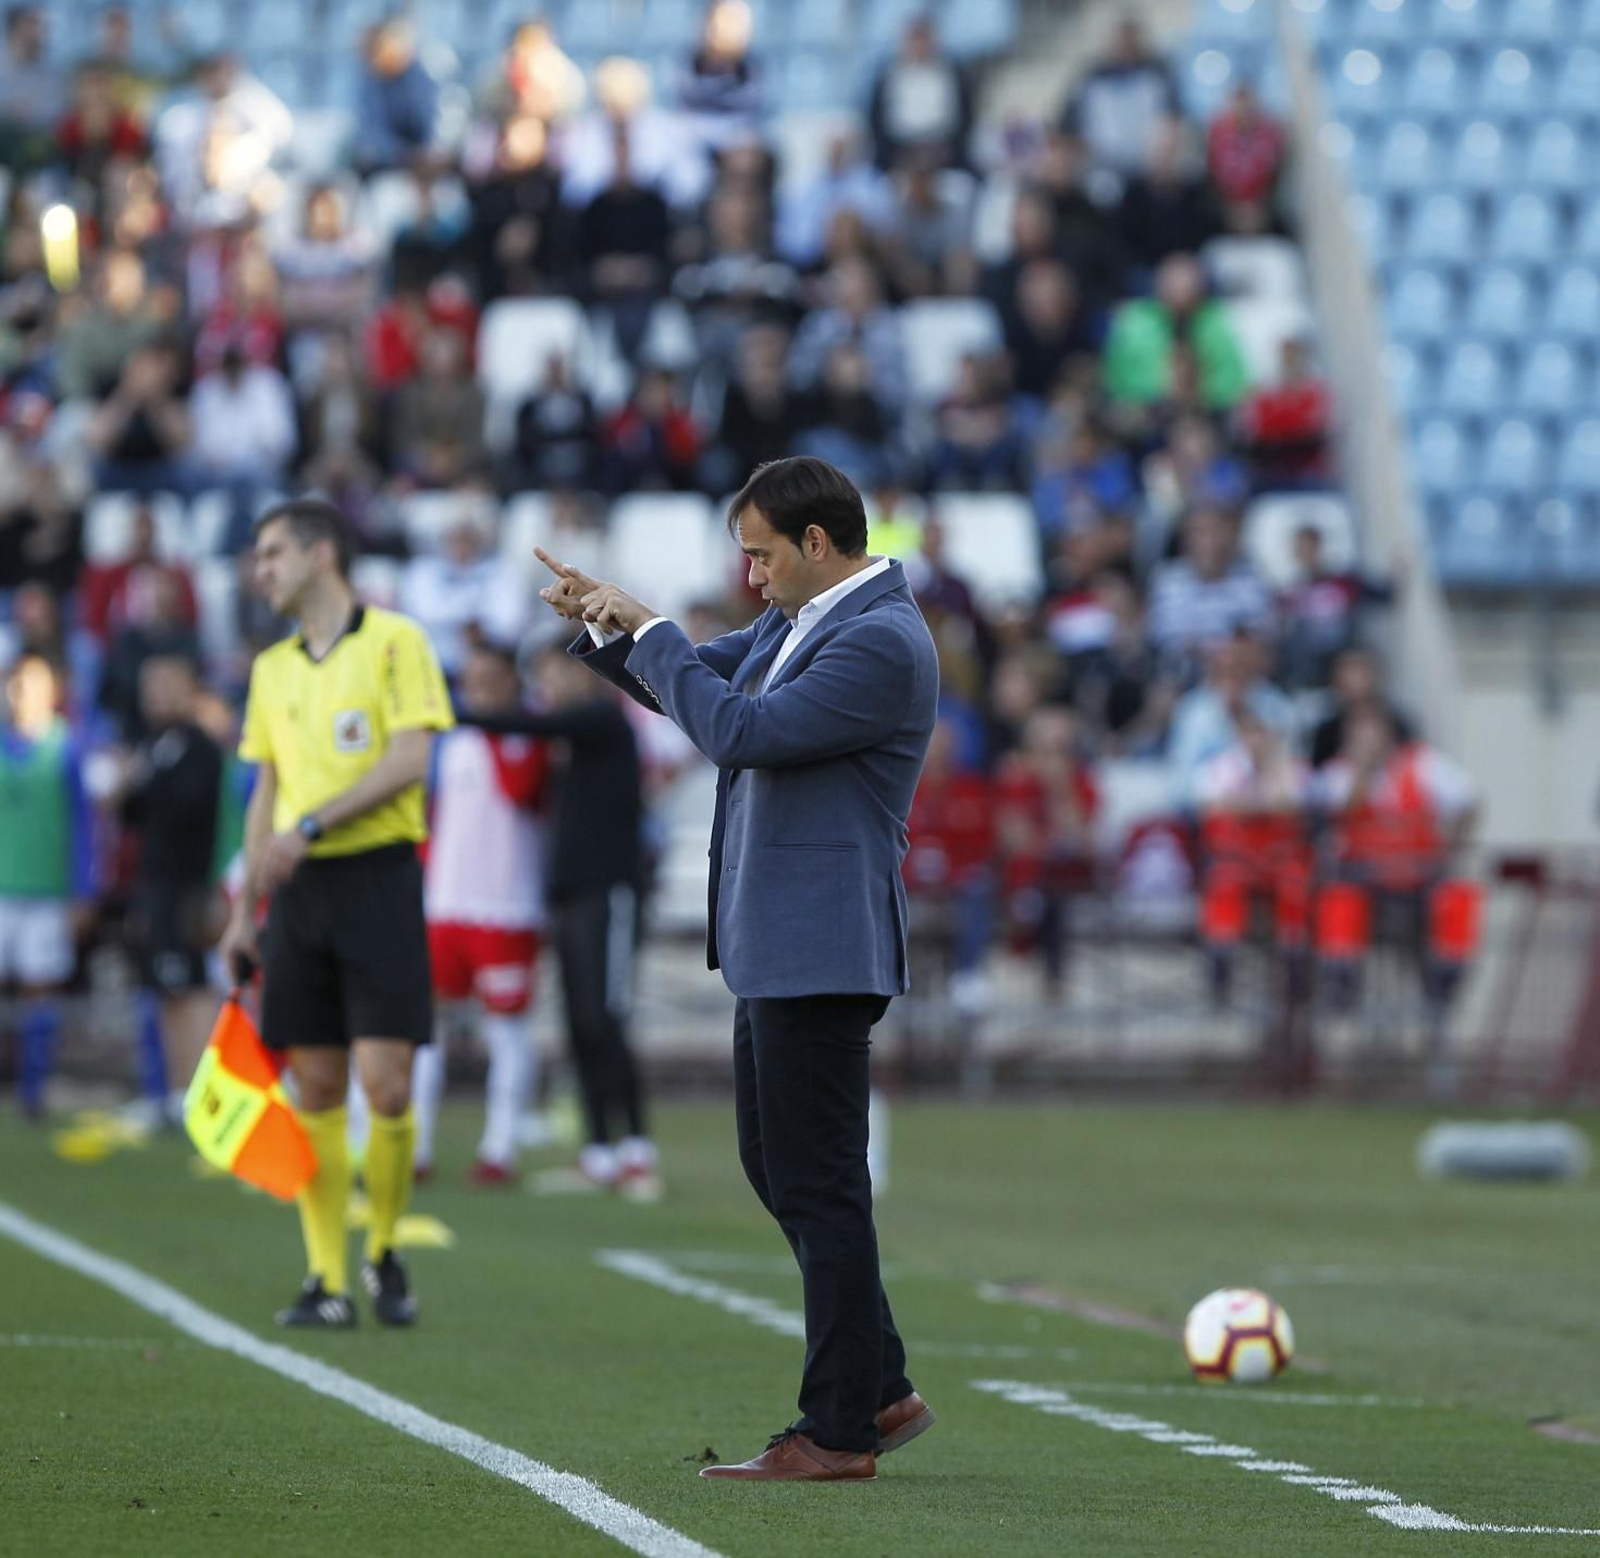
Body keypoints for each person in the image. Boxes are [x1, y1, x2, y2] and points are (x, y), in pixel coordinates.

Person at [534, 455, 938, 1481]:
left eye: (760, 555)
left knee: (819, 1181)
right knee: (784, 1168)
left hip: (823, 941)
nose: (750, 577)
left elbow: (735, 731)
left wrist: (657, 631)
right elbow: (695, 682)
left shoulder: (880, 639)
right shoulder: (808, 621)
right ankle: (878, 1384)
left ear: (816, 543)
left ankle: (839, 1428)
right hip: (781, 938)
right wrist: (614, 622)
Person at [218, 498, 453, 1330]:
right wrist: (245, 910)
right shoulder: (272, 668)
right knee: (314, 1084)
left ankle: (383, 1247)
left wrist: (312, 827)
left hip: (379, 880)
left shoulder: (396, 641)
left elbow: (410, 758)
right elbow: (266, 793)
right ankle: (326, 1281)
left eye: (273, 552)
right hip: (298, 893)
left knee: (384, 1086)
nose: (261, 570)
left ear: (321, 555)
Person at [457, 642, 659, 1197]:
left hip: (609, 892)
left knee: (606, 1019)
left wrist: (450, 712)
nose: (546, 686)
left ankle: (637, 1148)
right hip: (569, 895)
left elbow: (532, 725)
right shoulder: (565, 739)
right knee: (578, 1023)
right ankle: (598, 1152)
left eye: (552, 674)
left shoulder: (601, 720)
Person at [413, 642, 549, 1185]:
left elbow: (521, 792)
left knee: (505, 1030)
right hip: (445, 904)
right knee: (425, 1027)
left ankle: (499, 1149)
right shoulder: (452, 741)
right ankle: (415, 1147)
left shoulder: (525, 735)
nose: (478, 690)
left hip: (506, 907)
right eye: (471, 680)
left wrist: (494, 721)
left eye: (490, 679)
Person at [111, 654, 224, 1122]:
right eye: (149, 686)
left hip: (186, 885)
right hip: (154, 882)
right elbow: (133, 816)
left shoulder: (198, 746)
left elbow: (190, 807)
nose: (154, 696)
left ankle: (197, 1092)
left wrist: (142, 780)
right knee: (163, 986)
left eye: (164, 686)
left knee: (190, 987)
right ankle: (172, 1091)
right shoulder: (153, 744)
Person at [0, 655, 91, 1118]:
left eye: (29, 686)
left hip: (46, 890)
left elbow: (83, 823)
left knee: (41, 989)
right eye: (13, 685)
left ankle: (33, 1089)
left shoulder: (65, 745)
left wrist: (81, 888)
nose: (18, 695)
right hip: (3, 888)